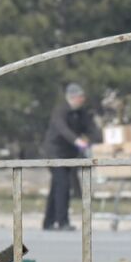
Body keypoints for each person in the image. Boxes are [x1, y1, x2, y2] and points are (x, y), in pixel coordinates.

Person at [41, 82, 99, 231]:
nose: (83, 99)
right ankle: (62, 221)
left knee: (56, 187)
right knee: (63, 185)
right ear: (72, 97)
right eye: (80, 97)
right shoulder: (60, 111)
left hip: (69, 154)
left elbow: (90, 128)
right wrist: (77, 141)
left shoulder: (81, 113)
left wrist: (94, 140)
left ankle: (48, 222)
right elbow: (63, 129)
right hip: (55, 153)